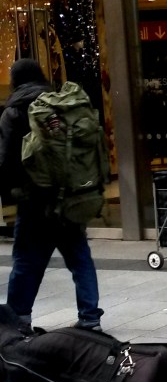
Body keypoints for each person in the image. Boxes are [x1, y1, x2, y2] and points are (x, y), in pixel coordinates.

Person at [0, 59, 103, 332]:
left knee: (25, 262)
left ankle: (19, 321)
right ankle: (90, 318)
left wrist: (10, 192)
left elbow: (7, 161)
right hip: (70, 197)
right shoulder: (58, 104)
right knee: (80, 258)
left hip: (34, 200)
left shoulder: (14, 111)